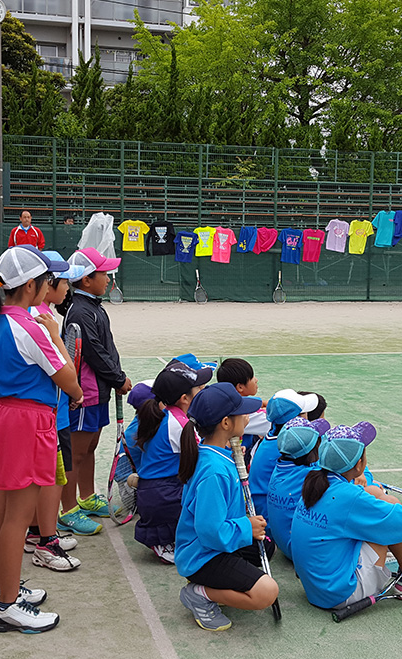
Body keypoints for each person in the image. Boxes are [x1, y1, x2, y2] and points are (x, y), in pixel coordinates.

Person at [0, 245, 82, 633]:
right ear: (31, 286)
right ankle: (7, 605)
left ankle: (0, 588)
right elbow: (69, 381)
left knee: (3, 509)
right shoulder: (32, 327)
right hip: (28, 420)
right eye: (46, 281)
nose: (50, 287)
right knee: (19, 519)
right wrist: (56, 337)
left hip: (3, 414)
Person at [290, 427, 402, 612]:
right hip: (339, 593)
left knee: (381, 509)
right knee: (391, 520)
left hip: (315, 588)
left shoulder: (314, 482)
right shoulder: (349, 497)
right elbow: (398, 520)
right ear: (359, 464)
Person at [175, 382, 278, 632]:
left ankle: (222, 582)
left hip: (216, 544)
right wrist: (246, 527)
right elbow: (210, 531)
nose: (247, 416)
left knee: (266, 545)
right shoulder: (214, 472)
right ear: (225, 423)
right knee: (267, 593)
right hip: (203, 554)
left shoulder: (215, 454)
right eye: (242, 412)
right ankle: (199, 594)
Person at [58, 247, 132, 536]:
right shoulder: (80, 310)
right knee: (74, 454)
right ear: (86, 280)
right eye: (104, 273)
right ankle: (68, 511)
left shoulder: (93, 306)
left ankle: (87, 497)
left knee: (89, 449)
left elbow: (105, 349)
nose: (109, 277)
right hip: (84, 395)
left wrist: (114, 378)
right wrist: (118, 378)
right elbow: (94, 352)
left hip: (98, 392)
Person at [25, 250, 86, 573]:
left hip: (52, 411)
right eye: (64, 280)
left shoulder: (41, 313)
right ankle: (43, 537)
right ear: (46, 284)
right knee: (48, 478)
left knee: (48, 477)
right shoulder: (39, 319)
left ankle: (37, 532)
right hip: (48, 414)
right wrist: (75, 391)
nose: (68, 286)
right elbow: (62, 369)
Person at [132, 359, 211, 564]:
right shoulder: (179, 424)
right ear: (185, 398)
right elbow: (203, 457)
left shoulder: (168, 415)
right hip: (163, 495)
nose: (203, 391)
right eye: (199, 388)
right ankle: (163, 540)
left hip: (155, 492)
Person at [247, 389, 319, 518]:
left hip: (263, 509)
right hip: (269, 518)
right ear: (296, 420)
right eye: (304, 413)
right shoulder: (288, 449)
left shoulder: (270, 439)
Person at [265, 418, 322, 560]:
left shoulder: (281, 468)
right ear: (313, 450)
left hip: (285, 544)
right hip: (299, 551)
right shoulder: (310, 475)